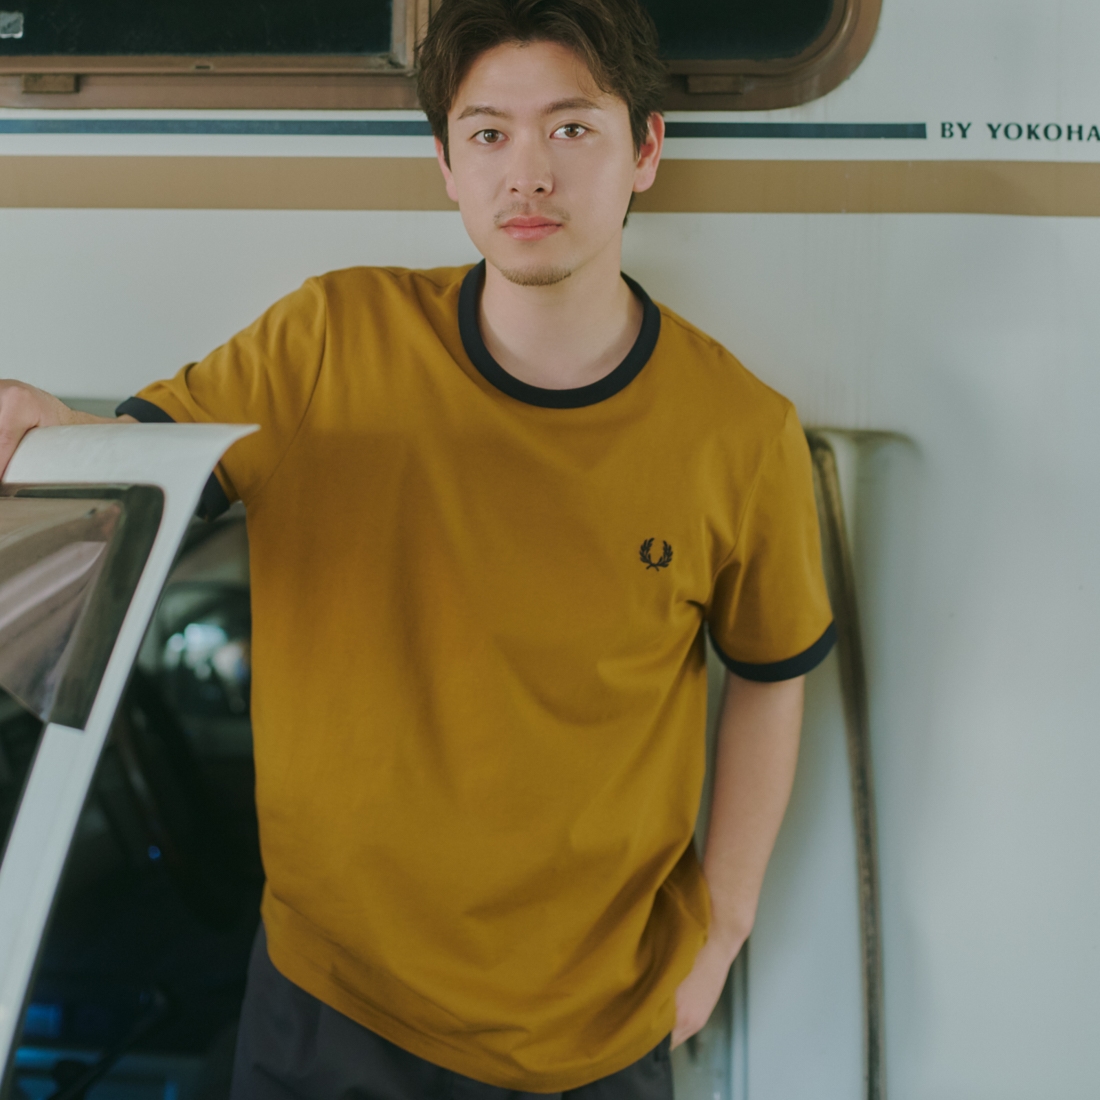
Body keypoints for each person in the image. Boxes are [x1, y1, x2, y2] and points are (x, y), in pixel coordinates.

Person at [0, 0, 835, 1096]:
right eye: (488, 133)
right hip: (330, 1001)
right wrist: (47, 428)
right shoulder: (328, 341)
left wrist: (721, 930)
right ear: (446, 164)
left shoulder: (740, 431)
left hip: (590, 1025)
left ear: (645, 150)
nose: (527, 173)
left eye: (570, 128)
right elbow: (140, 466)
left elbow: (771, 674)